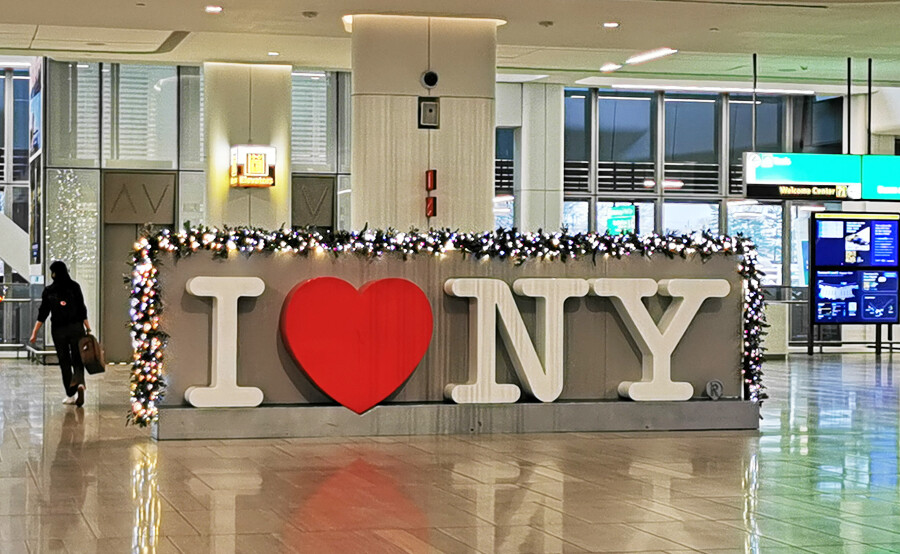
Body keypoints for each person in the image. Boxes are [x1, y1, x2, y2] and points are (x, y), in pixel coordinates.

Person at [29, 261, 92, 407]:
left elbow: (43, 313)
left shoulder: (49, 291)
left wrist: (34, 332)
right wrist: (88, 328)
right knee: (77, 358)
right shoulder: (74, 287)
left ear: (54, 273)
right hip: (76, 328)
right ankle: (80, 384)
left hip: (59, 330)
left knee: (64, 361)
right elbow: (82, 308)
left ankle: (70, 394)